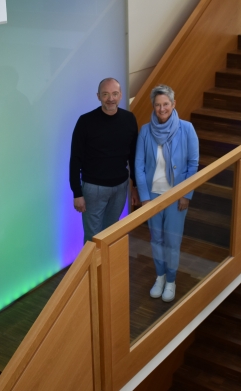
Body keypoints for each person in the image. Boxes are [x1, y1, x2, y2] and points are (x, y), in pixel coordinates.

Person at [135, 84, 199, 302]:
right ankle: (160, 277)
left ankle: (171, 281)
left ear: (173, 104)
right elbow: (139, 166)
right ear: (153, 106)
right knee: (156, 239)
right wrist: (144, 197)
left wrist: (186, 194)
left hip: (176, 197)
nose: (162, 109)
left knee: (172, 242)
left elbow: (193, 165)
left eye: (166, 104)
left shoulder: (187, 129)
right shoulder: (145, 131)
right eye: (158, 105)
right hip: (152, 196)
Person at [70, 78, 140, 243]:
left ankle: (107, 269)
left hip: (120, 187)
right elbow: (75, 159)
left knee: (111, 235)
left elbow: (133, 155)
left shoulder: (129, 119)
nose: (111, 98)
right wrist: (77, 193)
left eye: (115, 94)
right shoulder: (85, 121)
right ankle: (93, 269)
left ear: (121, 95)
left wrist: (135, 185)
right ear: (98, 96)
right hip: (94, 189)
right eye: (105, 94)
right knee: (93, 239)